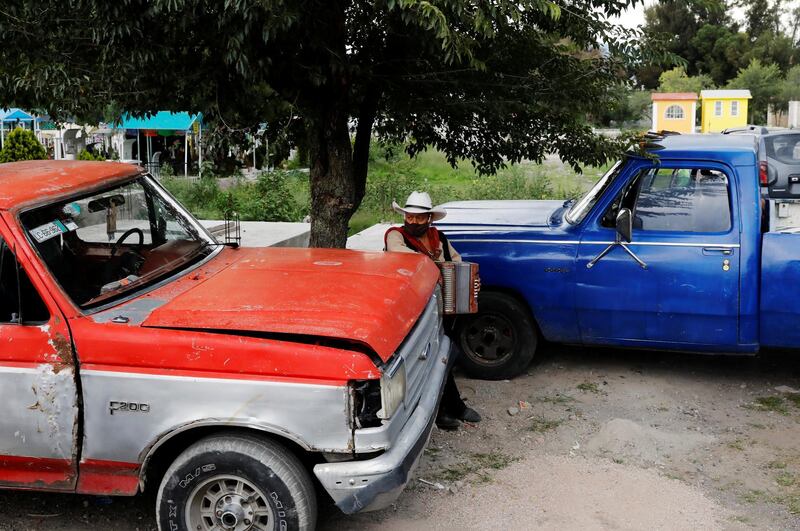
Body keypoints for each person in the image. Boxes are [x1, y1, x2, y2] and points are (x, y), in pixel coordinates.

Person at [384, 191, 482, 430]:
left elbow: (457, 260)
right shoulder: (395, 235)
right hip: (412, 307)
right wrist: (437, 262)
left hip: (439, 306)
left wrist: (469, 281)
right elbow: (404, 257)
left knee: (443, 354)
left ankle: (444, 410)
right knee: (433, 357)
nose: (413, 221)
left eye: (419, 217)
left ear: (429, 218)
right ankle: (449, 409)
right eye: (410, 216)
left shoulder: (438, 236)